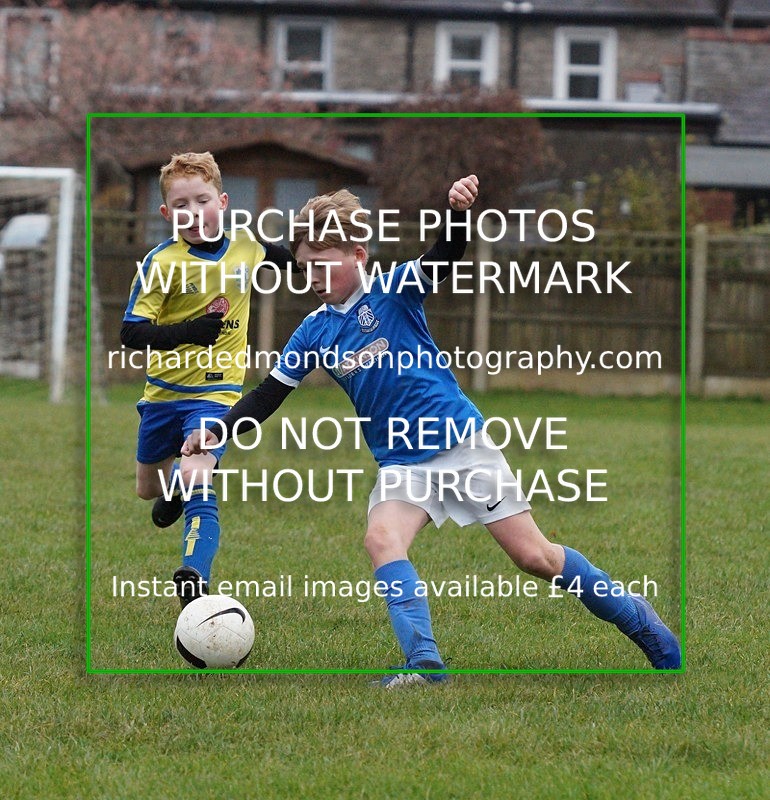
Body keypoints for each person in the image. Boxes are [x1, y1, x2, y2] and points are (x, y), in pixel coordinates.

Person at [182, 175, 681, 682]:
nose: (311, 275)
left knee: (537, 557)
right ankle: (423, 662)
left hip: (461, 446)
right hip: (402, 465)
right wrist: (216, 431)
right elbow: (268, 396)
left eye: (322, 263)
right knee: (381, 539)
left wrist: (458, 212)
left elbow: (444, 257)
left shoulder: (394, 291)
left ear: (358, 254)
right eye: (305, 266)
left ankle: (641, 622)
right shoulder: (314, 330)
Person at [121, 151, 293, 607]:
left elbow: (299, 262)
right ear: (166, 213)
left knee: (198, 470)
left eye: (202, 200)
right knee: (148, 491)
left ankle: (194, 574)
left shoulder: (247, 246)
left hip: (216, 395)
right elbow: (130, 333)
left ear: (222, 201)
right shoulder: (161, 262)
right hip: (161, 397)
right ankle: (176, 483)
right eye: (181, 205)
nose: (193, 212)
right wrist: (188, 334)